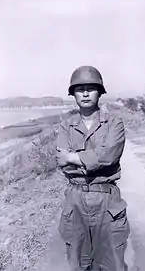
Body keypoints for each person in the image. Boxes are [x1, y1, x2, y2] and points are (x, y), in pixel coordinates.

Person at [55, 66, 130, 271]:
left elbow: (109, 156)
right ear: (73, 94)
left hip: (107, 201)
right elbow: (64, 165)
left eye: (91, 88)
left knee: (112, 263)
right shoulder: (65, 126)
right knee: (79, 263)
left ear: (100, 92)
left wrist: (73, 157)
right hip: (75, 200)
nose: (86, 93)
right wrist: (94, 162)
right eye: (80, 89)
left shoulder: (114, 123)